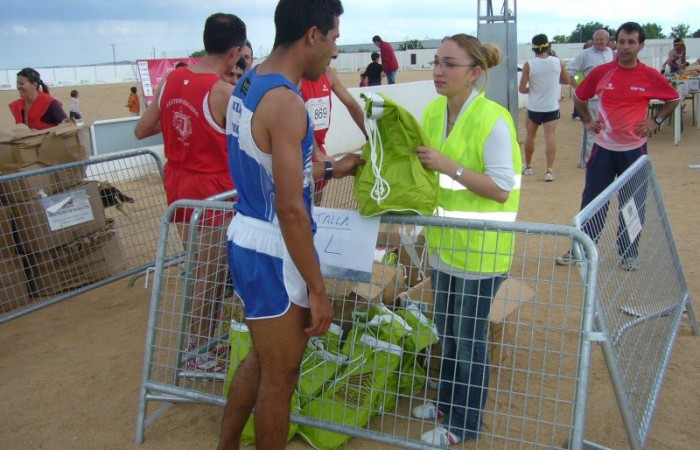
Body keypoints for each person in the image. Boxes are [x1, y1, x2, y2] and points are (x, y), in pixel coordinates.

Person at [217, 1, 362, 448]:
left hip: (248, 233)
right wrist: (318, 290)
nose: (335, 51)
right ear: (313, 36)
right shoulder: (286, 102)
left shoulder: (250, 79)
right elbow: (291, 209)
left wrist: (335, 169)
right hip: (274, 249)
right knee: (281, 378)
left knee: (262, 361)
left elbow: (274, 170)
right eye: (334, 38)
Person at [411, 34, 521, 446]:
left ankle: (464, 422)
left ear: (474, 73)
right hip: (444, 246)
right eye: (436, 62)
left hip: (483, 252)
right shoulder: (434, 111)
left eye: (449, 64)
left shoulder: (493, 119)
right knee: (447, 330)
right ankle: (446, 402)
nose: (438, 71)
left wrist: (449, 166)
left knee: (470, 339)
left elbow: (501, 188)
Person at [134, 12, 247, 372]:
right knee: (208, 273)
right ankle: (198, 350)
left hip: (178, 182)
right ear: (234, 52)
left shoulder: (171, 79)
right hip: (212, 190)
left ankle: (205, 344)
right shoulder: (223, 93)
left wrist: (180, 129)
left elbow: (142, 129)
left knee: (203, 268)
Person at [556, 22, 680, 270]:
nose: (625, 47)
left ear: (641, 46)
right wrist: (589, 121)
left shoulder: (649, 76)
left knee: (633, 203)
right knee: (593, 200)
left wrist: (654, 120)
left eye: (631, 42)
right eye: (621, 41)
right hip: (603, 149)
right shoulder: (603, 72)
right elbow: (580, 98)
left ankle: (629, 252)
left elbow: (674, 98)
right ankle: (581, 248)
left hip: (634, 151)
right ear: (616, 43)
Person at [301, 62, 368, 203]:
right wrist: (317, 153)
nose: (334, 50)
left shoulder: (328, 73)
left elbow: (351, 104)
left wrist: (370, 136)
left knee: (316, 206)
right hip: (299, 150)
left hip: (318, 149)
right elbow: (298, 119)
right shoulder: (295, 76)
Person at [519, 34, 569, 182]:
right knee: (550, 137)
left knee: (530, 136)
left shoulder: (529, 64)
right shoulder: (557, 62)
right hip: (551, 107)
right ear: (548, 46)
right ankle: (549, 171)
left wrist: (533, 90)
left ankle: (528, 166)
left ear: (533, 48)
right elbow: (566, 80)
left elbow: (522, 89)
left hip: (534, 107)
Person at [567, 29, 614, 169]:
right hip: (592, 99)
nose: (599, 42)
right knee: (591, 130)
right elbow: (570, 71)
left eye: (602, 39)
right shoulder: (585, 54)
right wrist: (580, 89)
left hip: (609, 99)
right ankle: (586, 160)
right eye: (596, 39)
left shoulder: (610, 53)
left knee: (607, 128)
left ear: (608, 40)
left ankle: (602, 158)